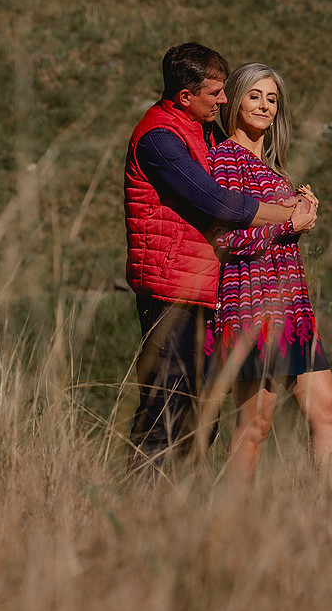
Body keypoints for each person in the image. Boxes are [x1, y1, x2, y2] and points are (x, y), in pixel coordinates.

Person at [124, 42, 316, 483]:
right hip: (170, 291)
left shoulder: (199, 130)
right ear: (185, 96)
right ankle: (138, 518)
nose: (225, 99)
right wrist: (289, 213)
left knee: (200, 418)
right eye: (215, 93)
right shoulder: (160, 139)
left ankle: (174, 515)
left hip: (206, 292)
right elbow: (217, 202)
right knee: (164, 410)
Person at [207, 62, 332, 481]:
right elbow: (225, 241)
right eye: (254, 95)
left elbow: (275, 236)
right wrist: (290, 224)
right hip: (249, 303)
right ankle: (230, 530)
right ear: (234, 100)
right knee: (255, 426)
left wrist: (301, 216)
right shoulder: (227, 158)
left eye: (271, 99)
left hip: (292, 307)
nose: (264, 105)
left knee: (328, 412)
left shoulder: (273, 168)